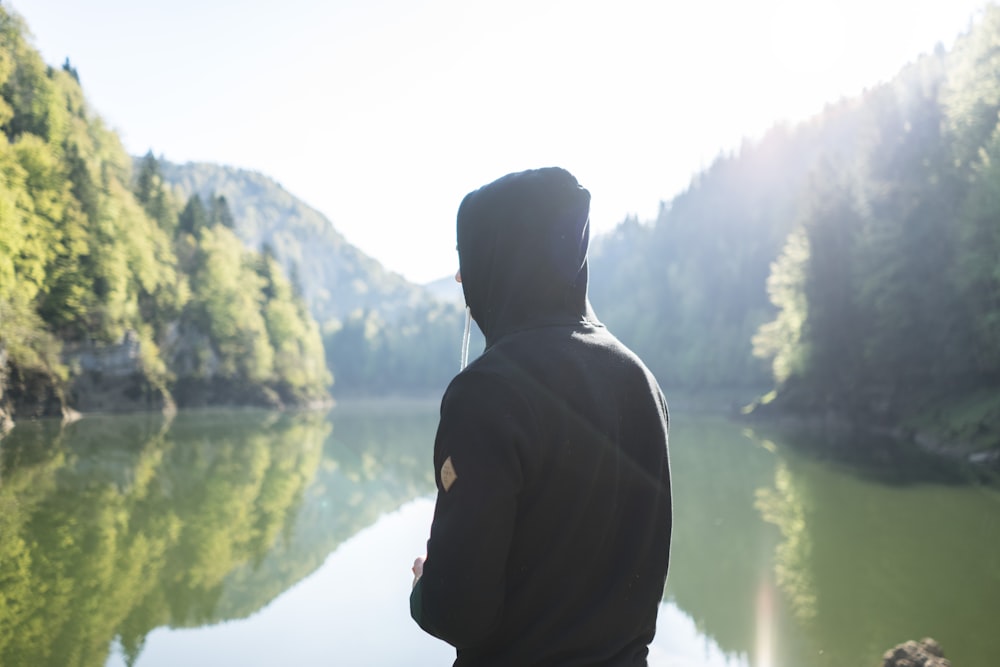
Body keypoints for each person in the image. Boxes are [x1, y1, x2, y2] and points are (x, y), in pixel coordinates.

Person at [410, 167, 672, 666]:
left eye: (468, 259)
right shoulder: (641, 381)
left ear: (499, 261)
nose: (463, 279)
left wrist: (426, 587)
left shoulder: (487, 393)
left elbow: (458, 611)